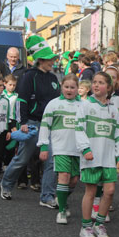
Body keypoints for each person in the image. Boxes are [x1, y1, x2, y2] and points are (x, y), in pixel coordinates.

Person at [0, 36, 60, 208]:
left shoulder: (53, 78)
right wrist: (23, 122)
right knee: (22, 158)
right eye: (50, 59)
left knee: (51, 161)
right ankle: (6, 184)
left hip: (49, 126)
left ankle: (47, 196)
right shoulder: (29, 76)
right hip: (33, 124)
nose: (53, 62)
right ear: (40, 60)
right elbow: (22, 100)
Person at [76, 72, 119, 237]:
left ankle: (99, 224)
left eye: (101, 83)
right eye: (94, 82)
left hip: (108, 158)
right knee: (90, 191)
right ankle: (86, 226)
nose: (96, 85)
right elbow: (79, 129)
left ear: (109, 87)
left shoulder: (113, 109)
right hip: (91, 156)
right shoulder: (85, 106)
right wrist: (85, 149)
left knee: (110, 191)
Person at [37, 73, 82, 225]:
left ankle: (62, 198)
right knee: (64, 176)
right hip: (60, 148)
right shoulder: (54, 104)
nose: (69, 90)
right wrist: (44, 146)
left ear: (78, 89)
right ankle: (62, 211)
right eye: (66, 87)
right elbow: (45, 125)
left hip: (77, 149)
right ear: (61, 87)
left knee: (74, 180)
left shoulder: (83, 105)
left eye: (73, 87)